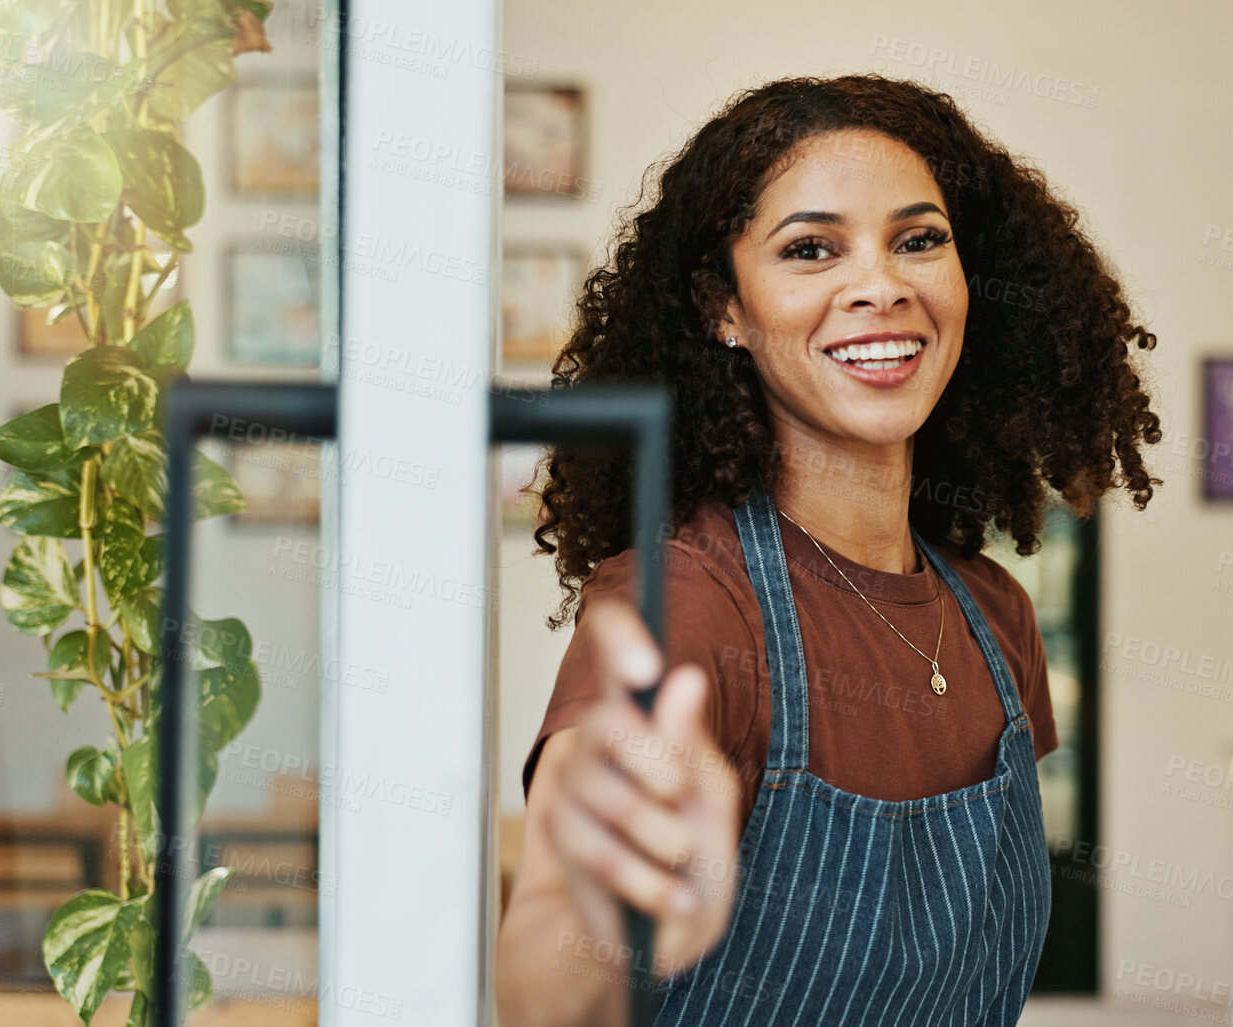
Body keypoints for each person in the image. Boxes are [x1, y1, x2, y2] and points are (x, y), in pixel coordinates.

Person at [495, 73, 1162, 1027]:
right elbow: (541, 992)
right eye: (810, 248)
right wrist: (587, 906)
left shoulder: (997, 618)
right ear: (723, 308)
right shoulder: (683, 601)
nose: (880, 285)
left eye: (918, 240)